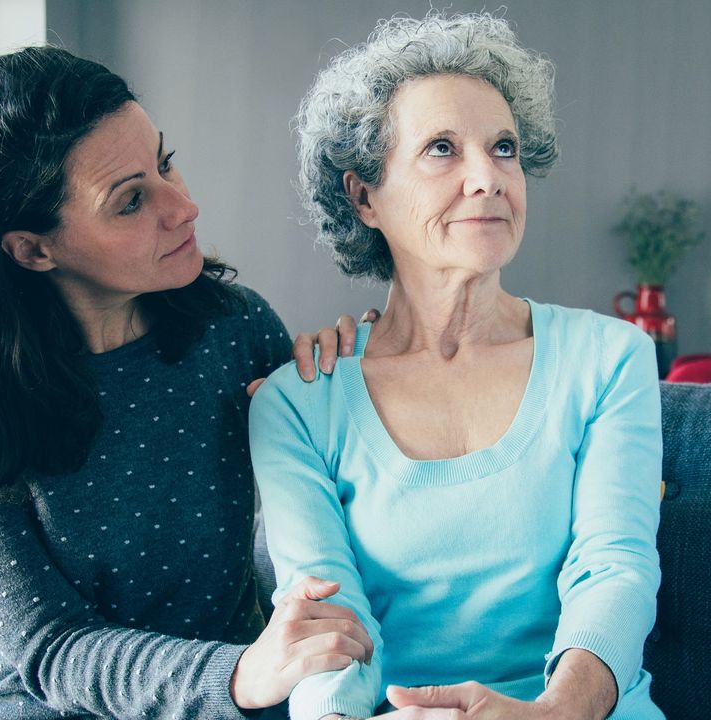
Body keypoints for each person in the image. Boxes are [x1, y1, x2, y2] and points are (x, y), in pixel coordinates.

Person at [0, 46, 379, 720]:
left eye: (165, 162)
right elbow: (53, 647)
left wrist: (352, 389)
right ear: (33, 248)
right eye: (130, 202)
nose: (183, 206)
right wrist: (242, 671)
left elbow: (343, 502)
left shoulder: (234, 331)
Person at [250, 12, 663, 720]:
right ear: (363, 195)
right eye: (442, 149)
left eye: (503, 148)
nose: (489, 179)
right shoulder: (298, 403)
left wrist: (558, 713)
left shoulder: (609, 357)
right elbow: (329, 618)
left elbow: (614, 570)